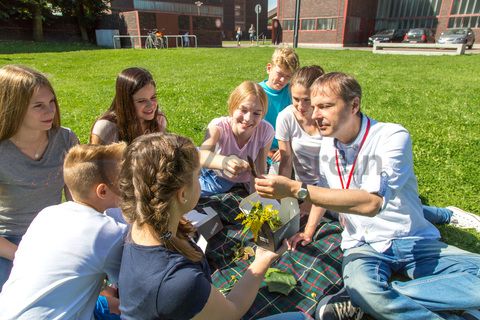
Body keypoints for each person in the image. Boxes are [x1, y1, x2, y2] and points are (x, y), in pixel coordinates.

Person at [255, 72, 480, 320]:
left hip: (410, 238)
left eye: (326, 106)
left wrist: (296, 189)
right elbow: (325, 190)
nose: (315, 114)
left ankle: (369, 301)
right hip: (362, 245)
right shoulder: (329, 144)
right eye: (314, 106)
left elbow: (372, 203)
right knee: (364, 287)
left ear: (354, 105)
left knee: (368, 293)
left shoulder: (391, 137)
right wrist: (308, 231)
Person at [117, 132, 306, 320]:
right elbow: (231, 312)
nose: (200, 181)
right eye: (198, 176)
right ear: (182, 194)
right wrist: (262, 260)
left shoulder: (141, 226)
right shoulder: (180, 281)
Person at [276, 66, 475, 229]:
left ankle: (444, 213)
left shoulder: (339, 125)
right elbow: (293, 164)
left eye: (309, 101)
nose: (303, 107)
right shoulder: (291, 118)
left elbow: (368, 199)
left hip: (342, 189)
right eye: (296, 99)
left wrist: (306, 195)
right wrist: (293, 203)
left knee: (391, 211)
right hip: (316, 189)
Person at [0, 143, 127, 319]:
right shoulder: (108, 232)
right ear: (103, 191)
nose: (128, 187)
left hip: (9, 312)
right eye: (123, 182)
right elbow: (140, 284)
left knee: (111, 304)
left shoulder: (48, 214)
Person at [0, 64, 78, 290]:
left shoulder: (65, 139)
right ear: (13, 107)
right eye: (39, 106)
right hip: (9, 240)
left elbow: (77, 196)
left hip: (51, 232)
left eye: (52, 102)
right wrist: (22, 255)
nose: (50, 111)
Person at [198, 81, 274, 196]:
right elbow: (202, 155)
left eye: (256, 114)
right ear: (232, 107)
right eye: (243, 110)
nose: (248, 118)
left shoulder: (266, 131)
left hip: (247, 180)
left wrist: (256, 198)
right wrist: (224, 162)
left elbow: (259, 168)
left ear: (263, 115)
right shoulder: (218, 126)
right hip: (218, 177)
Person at [90, 67, 167, 145]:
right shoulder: (106, 128)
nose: (151, 105)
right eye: (141, 101)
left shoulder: (159, 119)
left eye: (153, 97)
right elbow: (95, 156)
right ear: (126, 102)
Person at [259, 47, 300, 174]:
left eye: (288, 77)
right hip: (259, 148)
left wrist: (289, 149)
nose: (283, 80)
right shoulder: (257, 92)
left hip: (284, 148)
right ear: (269, 68)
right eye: (280, 74)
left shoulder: (291, 94)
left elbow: (298, 124)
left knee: (275, 179)